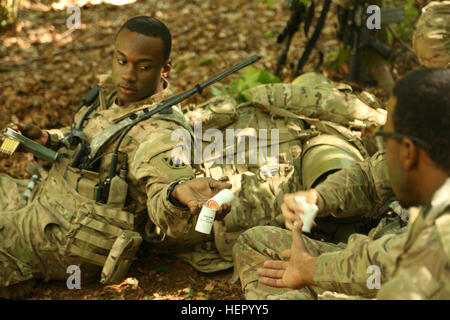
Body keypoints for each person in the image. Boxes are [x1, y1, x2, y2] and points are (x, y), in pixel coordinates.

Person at [0, 16, 233, 298]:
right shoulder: (117, 98)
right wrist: (48, 139)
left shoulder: (160, 134)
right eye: (122, 61)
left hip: (66, 237)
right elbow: (91, 142)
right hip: (45, 198)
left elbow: (163, 192)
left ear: (165, 68)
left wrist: (175, 195)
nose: (128, 75)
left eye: (143, 66)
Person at [233, 67, 450, 299]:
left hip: (379, 278)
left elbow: (385, 268)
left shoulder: (433, 258)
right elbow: (369, 177)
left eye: (387, 140)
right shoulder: (436, 172)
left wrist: (310, 269)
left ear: (408, 151)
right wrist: (319, 197)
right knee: (255, 241)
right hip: (374, 260)